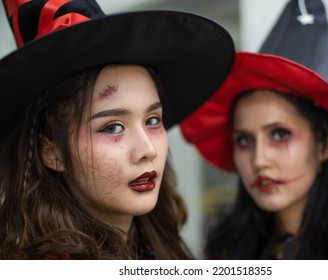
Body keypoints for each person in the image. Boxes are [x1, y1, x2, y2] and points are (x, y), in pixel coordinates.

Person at [0, 0, 234, 259]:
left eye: (153, 120)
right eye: (113, 127)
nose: (147, 151)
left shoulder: (157, 245)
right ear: (51, 151)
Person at [180, 52, 328, 259]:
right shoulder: (225, 256)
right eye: (244, 140)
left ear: (323, 146)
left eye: (280, 134)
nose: (259, 160)